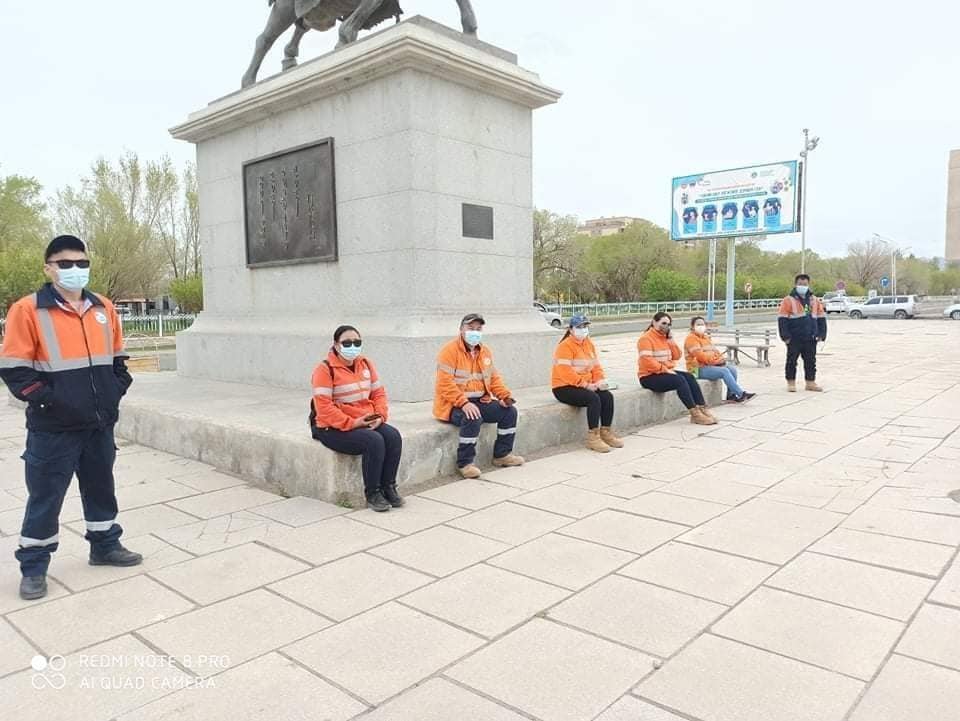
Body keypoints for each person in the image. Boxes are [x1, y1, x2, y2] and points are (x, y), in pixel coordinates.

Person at [0, 235, 141, 601]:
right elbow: (14, 370)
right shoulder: (27, 310)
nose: (75, 270)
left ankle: (105, 545)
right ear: (48, 267)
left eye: (82, 263)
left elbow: (118, 361)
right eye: (65, 263)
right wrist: (49, 402)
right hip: (54, 427)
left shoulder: (103, 307)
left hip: (99, 423)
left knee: (100, 487)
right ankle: (33, 566)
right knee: (45, 497)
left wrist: (115, 391)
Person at [310, 326, 403, 512]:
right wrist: (352, 423)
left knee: (393, 436)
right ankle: (373, 493)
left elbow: (378, 393)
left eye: (357, 342)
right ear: (336, 345)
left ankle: (388, 487)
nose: (352, 346)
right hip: (330, 427)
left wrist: (380, 416)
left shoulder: (366, 364)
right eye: (347, 343)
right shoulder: (324, 369)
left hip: (364, 420)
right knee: (374, 441)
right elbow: (324, 408)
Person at [434, 314, 524, 479]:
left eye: (478, 329)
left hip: (480, 401)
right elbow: (444, 384)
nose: (474, 332)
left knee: (510, 412)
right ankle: (465, 463)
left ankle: (502, 455)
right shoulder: (449, 351)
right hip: (453, 404)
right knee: (473, 416)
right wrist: (463, 403)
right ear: (461, 330)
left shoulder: (485, 352)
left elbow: (494, 378)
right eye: (470, 328)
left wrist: (504, 396)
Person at [552, 314, 623, 453]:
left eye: (585, 326)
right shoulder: (564, 346)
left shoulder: (588, 344)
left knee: (607, 396)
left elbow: (596, 367)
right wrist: (585, 385)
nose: (583, 329)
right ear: (571, 330)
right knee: (593, 399)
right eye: (579, 327)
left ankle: (606, 432)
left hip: (585, 384)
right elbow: (565, 372)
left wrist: (600, 381)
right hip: (563, 387)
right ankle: (593, 437)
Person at [637, 312, 717, 425]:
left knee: (689, 377)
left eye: (668, 324)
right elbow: (647, 361)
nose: (666, 326)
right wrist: (664, 369)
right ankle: (695, 414)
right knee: (679, 380)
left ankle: (702, 408)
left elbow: (677, 356)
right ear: (654, 322)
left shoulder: (665, 338)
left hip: (664, 372)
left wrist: (671, 341)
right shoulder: (646, 338)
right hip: (649, 376)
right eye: (663, 323)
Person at [684, 317, 756, 403]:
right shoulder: (691, 339)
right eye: (698, 324)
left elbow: (715, 352)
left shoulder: (706, 338)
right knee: (724, 371)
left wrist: (721, 359)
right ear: (692, 326)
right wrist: (715, 361)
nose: (700, 326)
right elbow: (700, 356)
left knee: (732, 369)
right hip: (696, 369)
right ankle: (741, 394)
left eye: (702, 324)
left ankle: (731, 395)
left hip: (708, 366)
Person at [778, 274, 826, 392]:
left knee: (811, 361)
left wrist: (822, 334)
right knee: (791, 361)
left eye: (805, 284)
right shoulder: (788, 300)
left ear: (808, 285)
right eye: (800, 284)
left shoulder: (814, 300)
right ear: (795, 284)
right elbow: (782, 319)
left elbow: (821, 317)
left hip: (810, 336)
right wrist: (785, 336)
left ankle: (810, 382)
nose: (802, 286)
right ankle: (791, 383)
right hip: (794, 337)